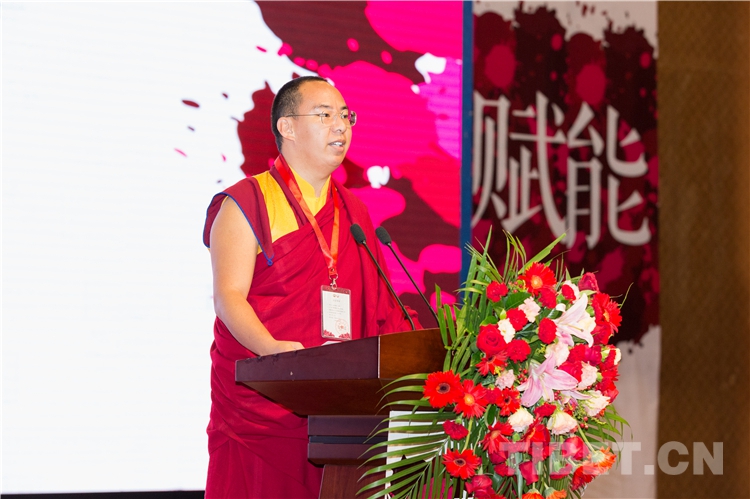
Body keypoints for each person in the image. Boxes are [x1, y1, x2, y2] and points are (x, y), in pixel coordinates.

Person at [202, 76, 419, 499]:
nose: (341, 126)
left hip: (340, 408)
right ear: (287, 127)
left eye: (346, 116)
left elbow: (382, 310)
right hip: (265, 401)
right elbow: (228, 296)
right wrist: (273, 352)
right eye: (324, 115)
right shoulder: (247, 202)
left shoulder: (354, 213)